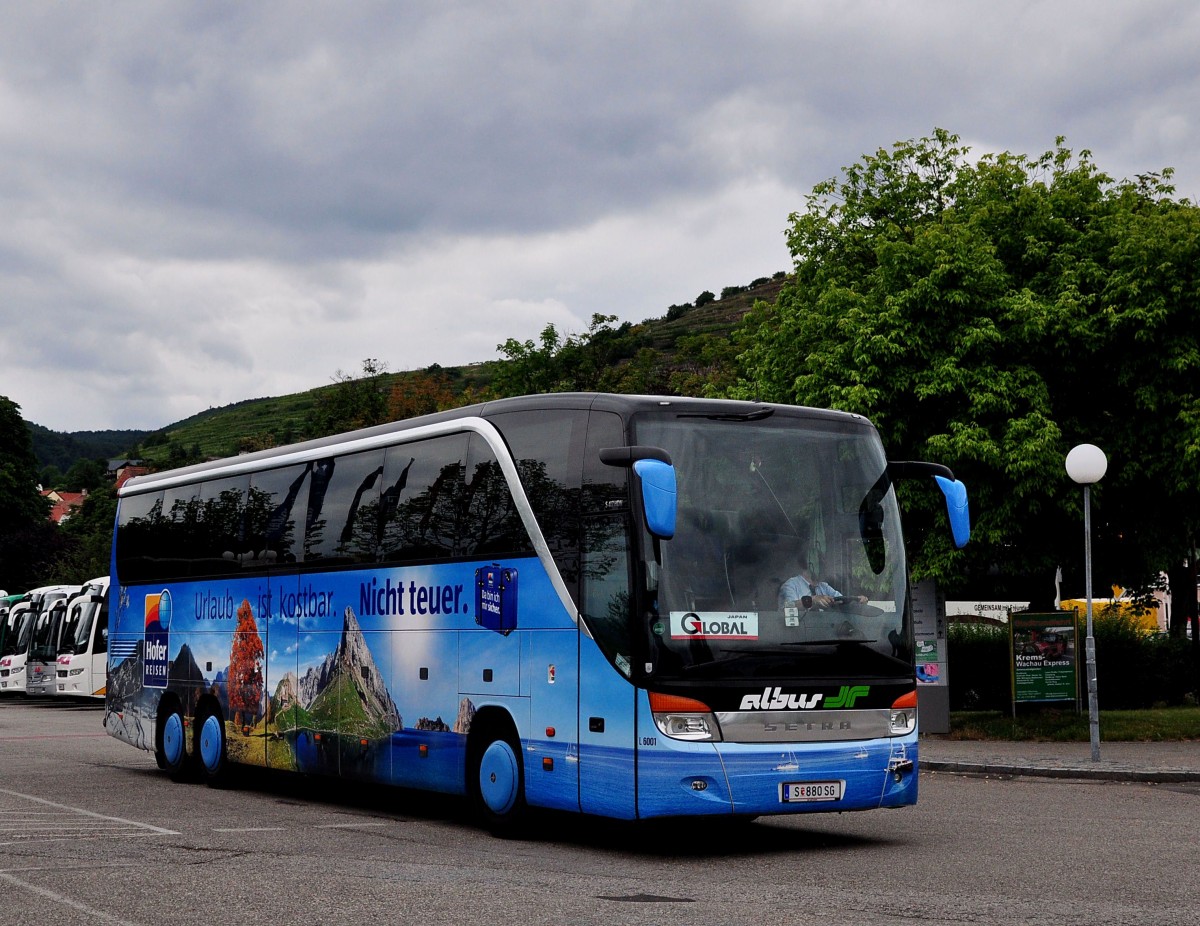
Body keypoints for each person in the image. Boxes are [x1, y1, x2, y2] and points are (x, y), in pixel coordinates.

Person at [777, 543, 867, 610]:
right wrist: (812, 600)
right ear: (807, 564)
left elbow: (841, 599)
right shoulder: (791, 585)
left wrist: (856, 599)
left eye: (823, 562)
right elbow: (787, 606)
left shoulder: (823, 587)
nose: (824, 565)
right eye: (819, 562)